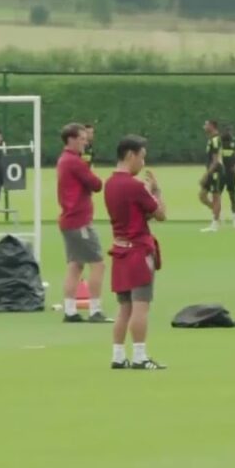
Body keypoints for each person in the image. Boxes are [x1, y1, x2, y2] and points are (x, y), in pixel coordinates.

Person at [105, 135, 167, 370]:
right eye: (141, 157)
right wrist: (156, 191)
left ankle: (118, 355)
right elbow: (160, 214)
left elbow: (135, 212)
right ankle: (140, 356)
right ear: (131, 155)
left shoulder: (110, 184)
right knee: (141, 306)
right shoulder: (135, 186)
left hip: (120, 249)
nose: (143, 163)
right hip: (138, 252)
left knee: (124, 308)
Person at [57, 123, 110, 324]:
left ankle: (70, 311)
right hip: (79, 220)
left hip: (69, 220)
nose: (85, 142)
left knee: (75, 265)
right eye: (81, 139)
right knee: (98, 264)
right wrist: (89, 169)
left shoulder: (64, 160)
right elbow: (96, 185)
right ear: (71, 139)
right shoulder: (74, 162)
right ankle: (95, 310)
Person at [198, 120, 224, 232]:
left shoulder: (215, 140)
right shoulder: (211, 139)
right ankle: (217, 213)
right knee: (202, 196)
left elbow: (216, 161)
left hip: (216, 172)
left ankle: (214, 224)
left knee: (216, 196)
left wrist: (206, 175)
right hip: (211, 171)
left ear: (212, 126)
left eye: (206, 124)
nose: (204, 126)